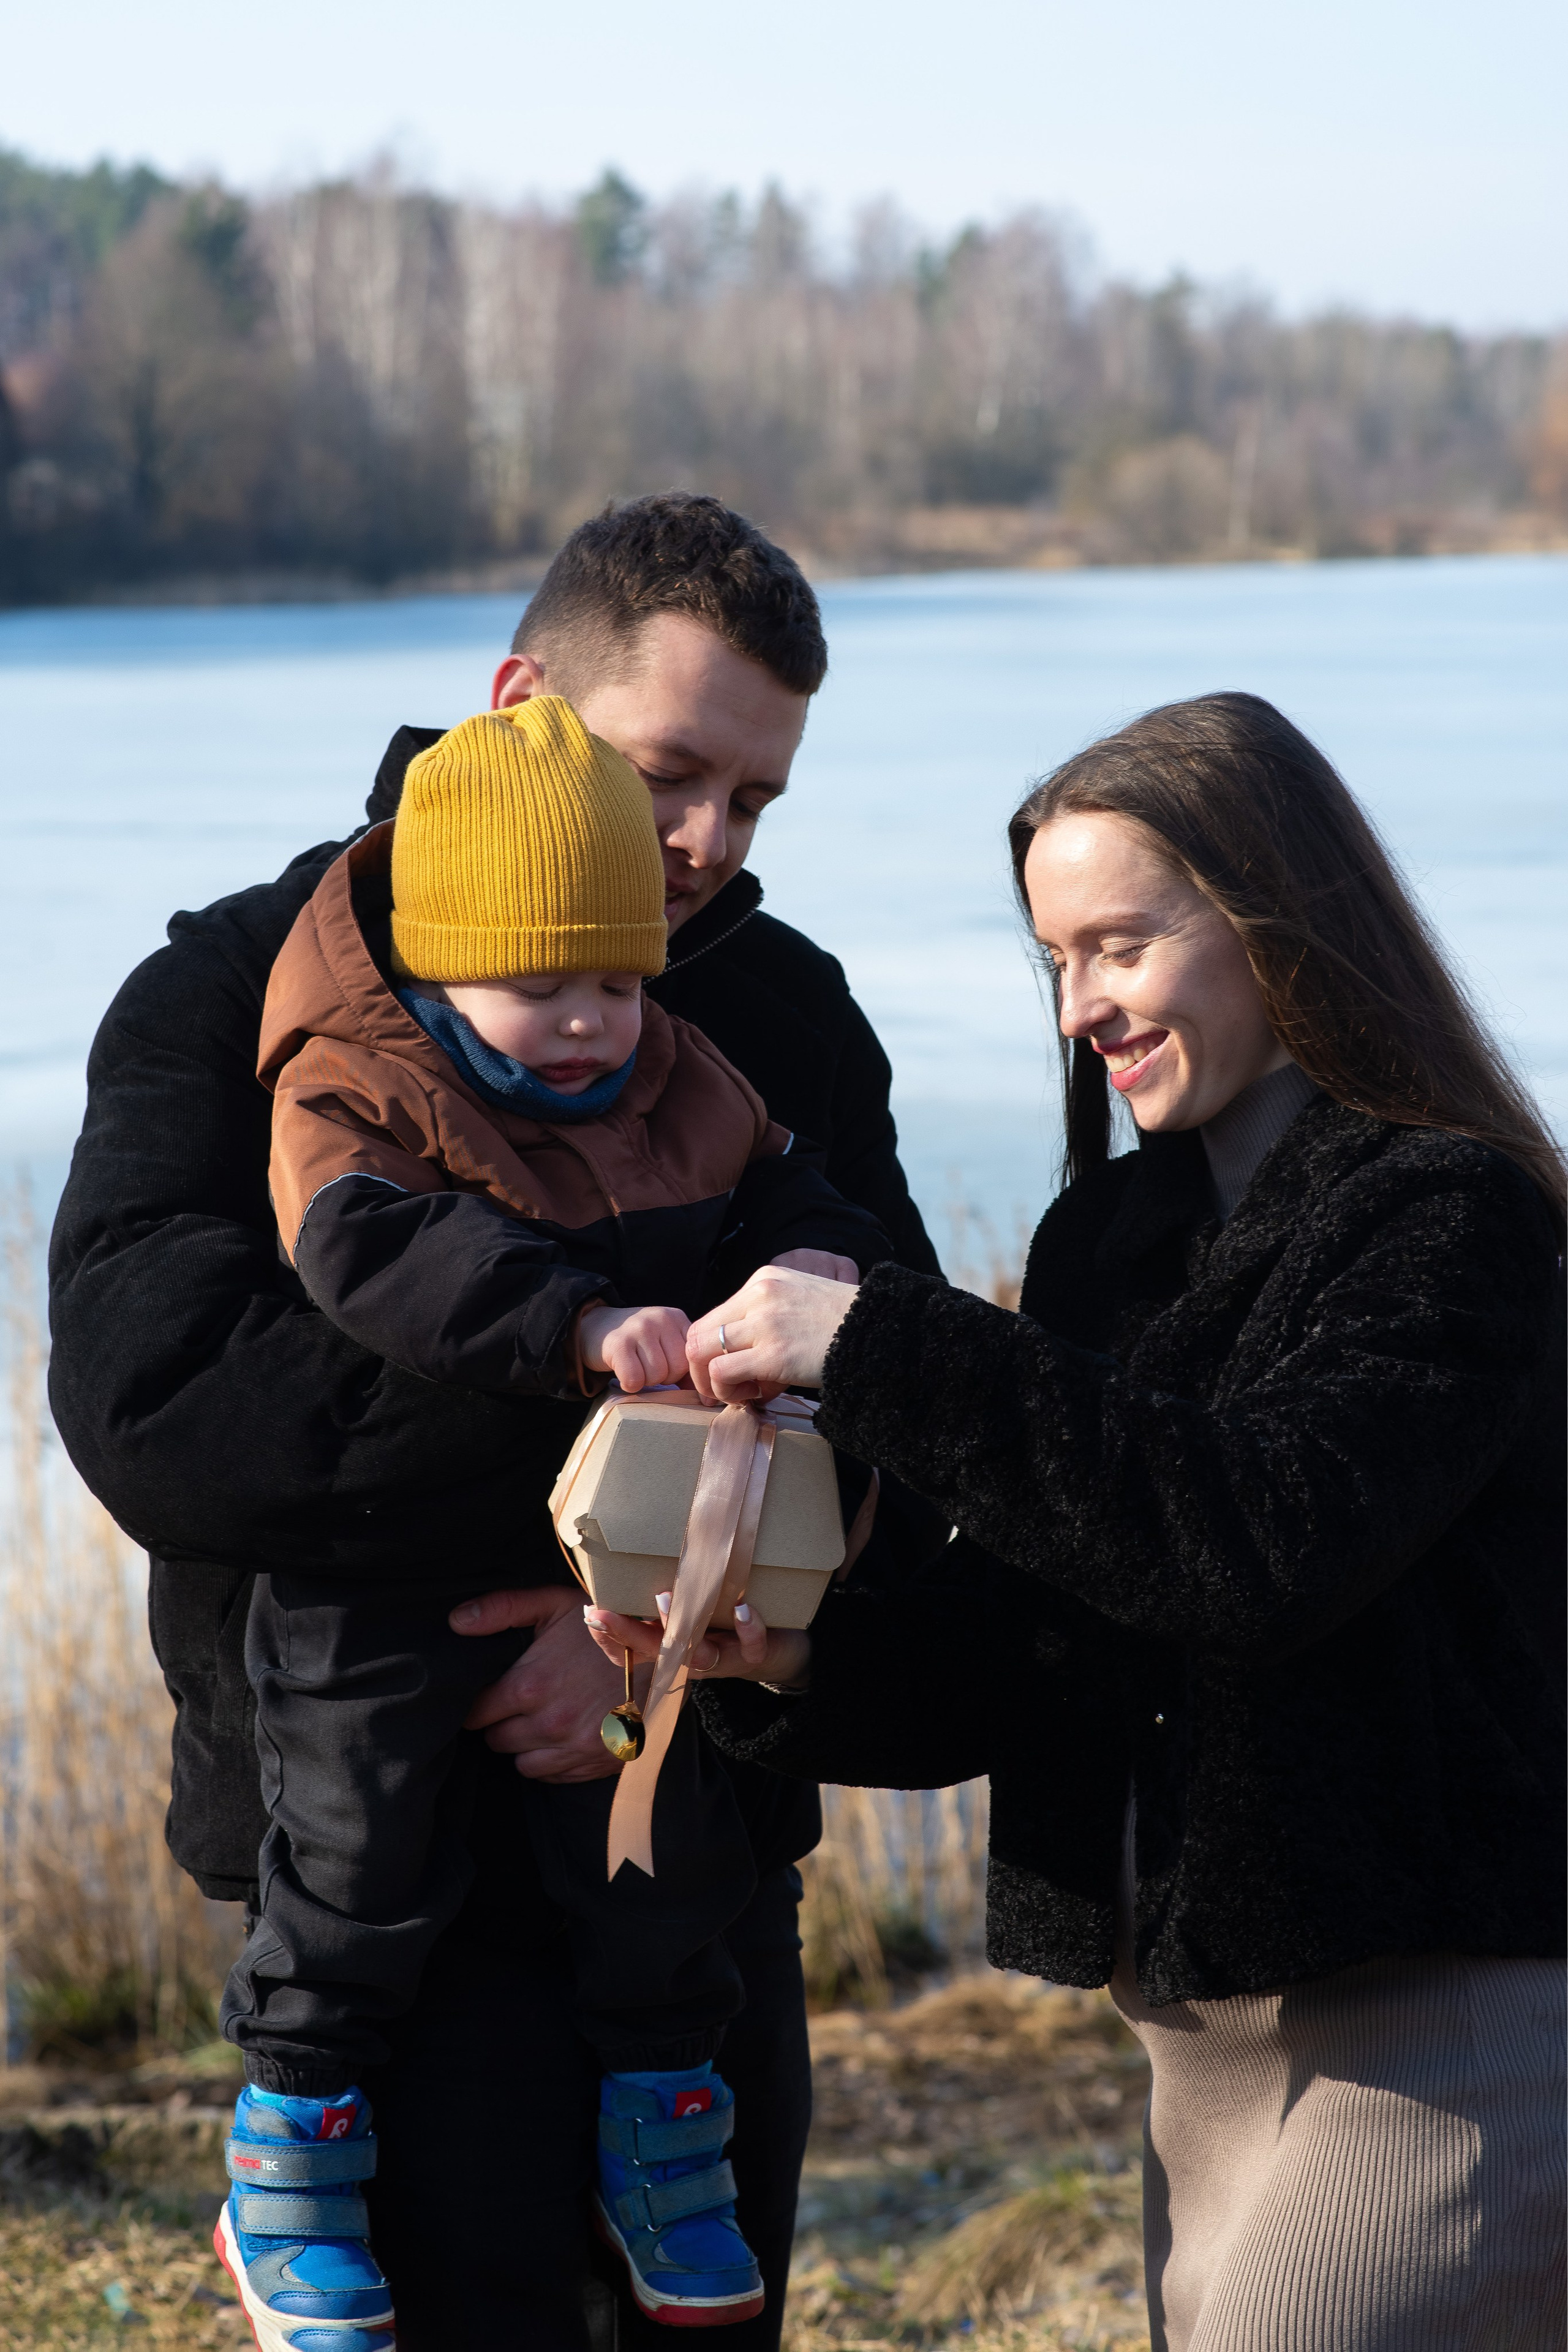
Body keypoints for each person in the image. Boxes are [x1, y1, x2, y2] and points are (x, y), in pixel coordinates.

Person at [48, 492, 940, 2351]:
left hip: (690, 1849)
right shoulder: (236, 992)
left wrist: (633, 1631)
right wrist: (595, 1509)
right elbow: (164, 1405)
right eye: (672, 771)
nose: (703, 844)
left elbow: (911, 1397)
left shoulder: (776, 1014)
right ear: (521, 697)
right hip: (363, 1867)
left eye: (754, 799)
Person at [573, 692, 1567, 2350]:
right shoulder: (1111, 1234)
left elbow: (1264, 1539)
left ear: (1278, 920)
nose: (1080, 1004)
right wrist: (783, 1656)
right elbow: (1039, 1643)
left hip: (1445, 2030)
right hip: (1197, 2053)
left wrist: (887, 1339)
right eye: (1053, 957)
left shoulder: (1450, 1215)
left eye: (1119, 945)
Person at [216, 692, 888, 2346]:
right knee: (355, 1860)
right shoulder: (358, 1087)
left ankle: (664, 2132)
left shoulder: (679, 1067)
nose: (590, 1024)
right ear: (444, 964)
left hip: (620, 1581)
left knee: (656, 1862)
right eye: (544, 988)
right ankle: (289, 2148)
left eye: (616, 979)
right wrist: (578, 1324)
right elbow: (372, 1254)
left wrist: (813, 1258)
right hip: (376, 1590)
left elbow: (785, 1174)